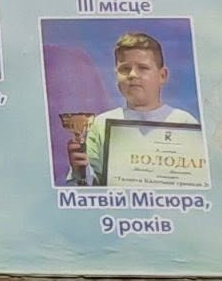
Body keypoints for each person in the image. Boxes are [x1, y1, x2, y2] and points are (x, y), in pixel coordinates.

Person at [67, 32, 199, 186]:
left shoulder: (184, 122)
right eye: (125, 69)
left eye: (143, 68)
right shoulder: (101, 125)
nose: (133, 75)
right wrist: (80, 171)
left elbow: (198, 181)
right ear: (116, 76)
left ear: (162, 76)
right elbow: (88, 188)